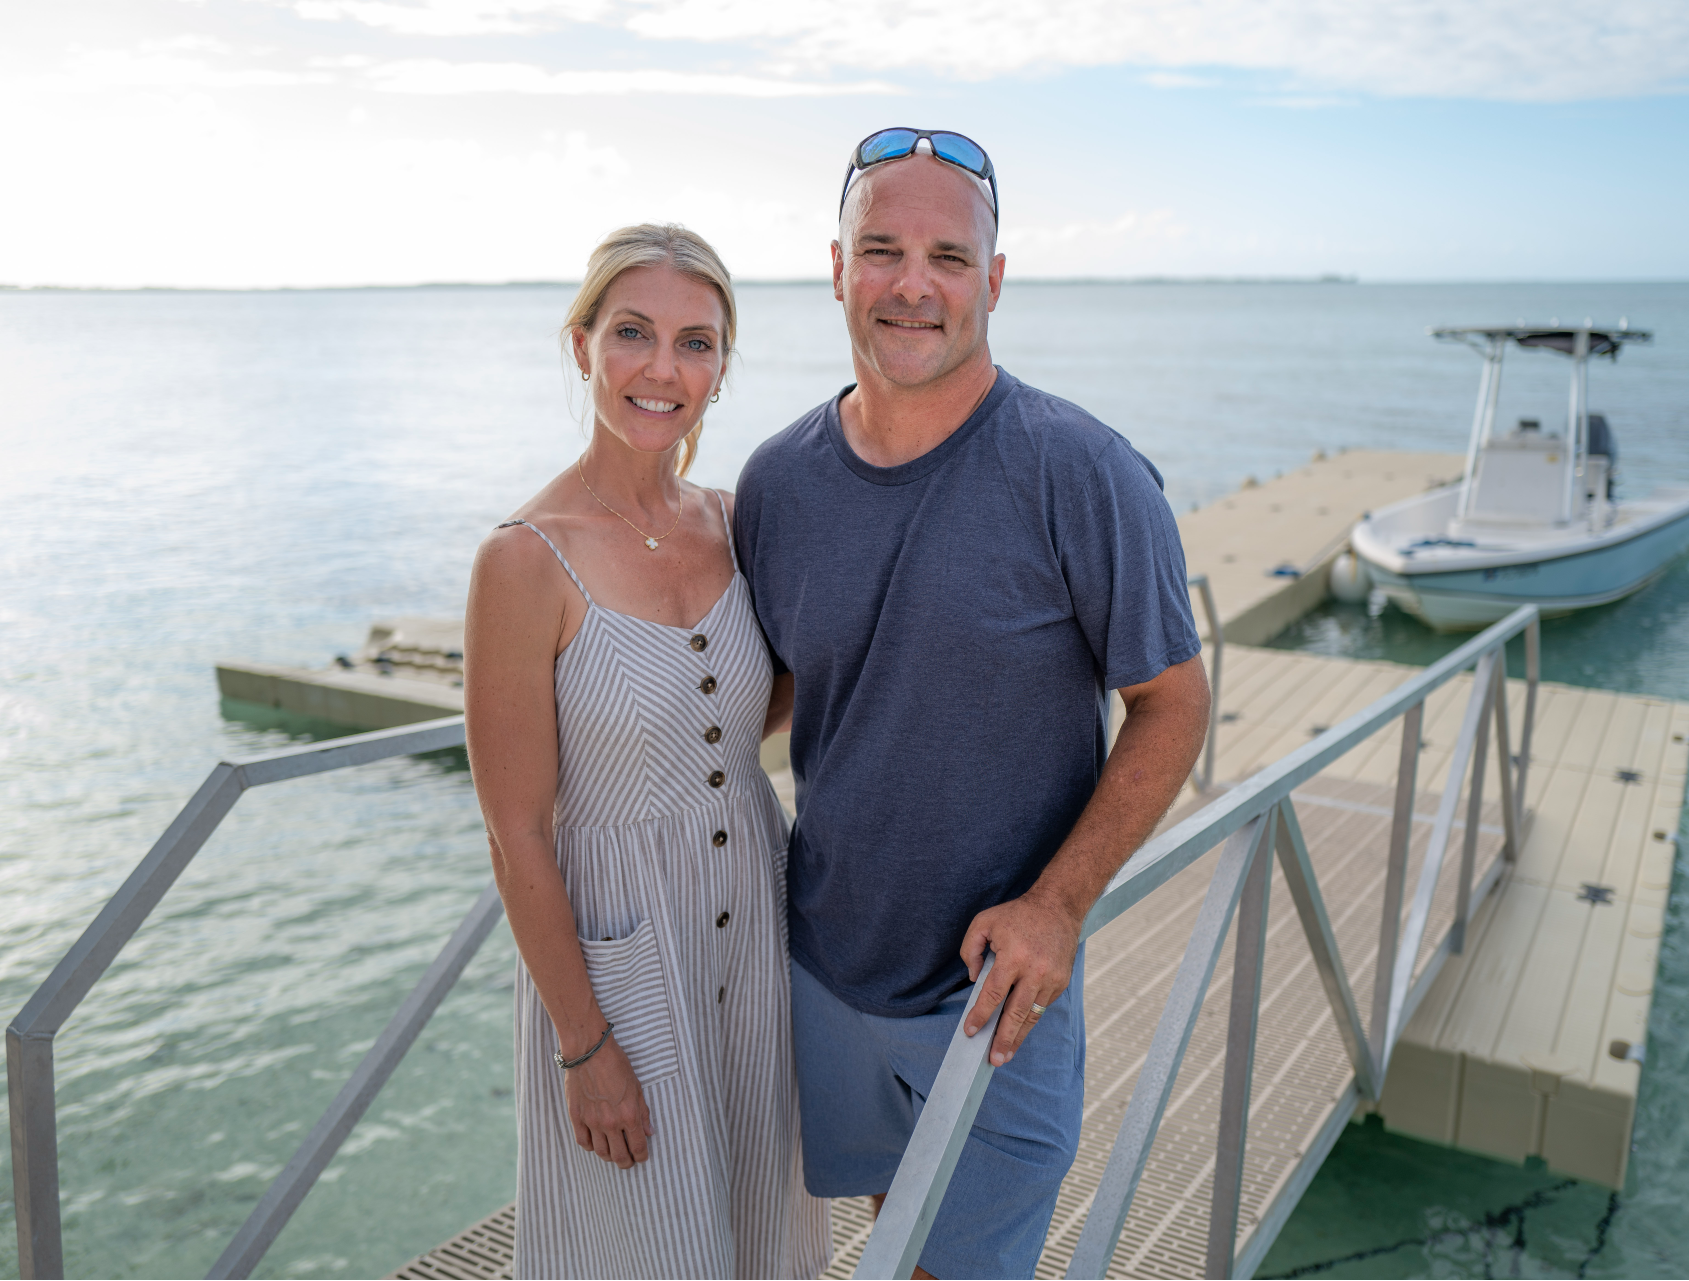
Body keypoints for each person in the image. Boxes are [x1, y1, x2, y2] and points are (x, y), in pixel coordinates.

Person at [733, 128, 1212, 1280]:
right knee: (895, 1237)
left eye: (949, 257)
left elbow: (1172, 707)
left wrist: (1058, 907)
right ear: (836, 267)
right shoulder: (774, 482)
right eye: (883, 250)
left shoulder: (1083, 472)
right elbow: (777, 689)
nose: (914, 284)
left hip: (997, 995)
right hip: (822, 959)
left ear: (993, 280)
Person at [464, 224, 828, 1280]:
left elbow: (754, 703)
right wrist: (585, 1046)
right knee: (644, 1248)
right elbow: (516, 830)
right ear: (581, 346)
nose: (663, 369)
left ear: (720, 368)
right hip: (623, 964)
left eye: (696, 342)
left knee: (768, 1238)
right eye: (633, 333)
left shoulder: (735, 521)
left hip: (759, 936)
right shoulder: (525, 562)